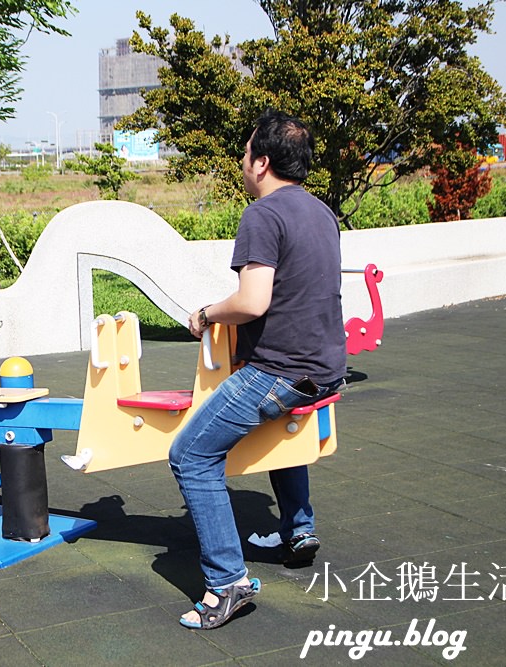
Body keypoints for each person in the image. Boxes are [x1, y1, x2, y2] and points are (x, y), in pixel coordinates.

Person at [170, 110, 346, 630]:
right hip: (326, 367)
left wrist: (204, 315)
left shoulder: (263, 215)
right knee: (279, 430)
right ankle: (297, 529)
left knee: (191, 454)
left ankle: (227, 584)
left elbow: (252, 301)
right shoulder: (321, 212)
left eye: (246, 153)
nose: (242, 162)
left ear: (262, 162)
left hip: (281, 371)